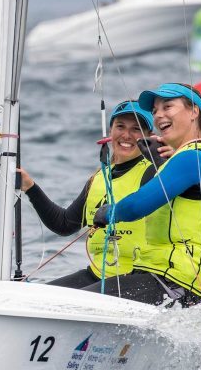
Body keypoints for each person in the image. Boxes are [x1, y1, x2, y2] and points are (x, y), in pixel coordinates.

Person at [92, 83, 201, 308]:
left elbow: (136, 206)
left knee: (70, 303)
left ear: (194, 111)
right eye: (155, 110)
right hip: (170, 281)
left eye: (168, 106)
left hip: (170, 282)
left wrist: (107, 213)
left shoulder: (193, 157)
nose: (158, 115)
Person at [18, 101, 159, 289]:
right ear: (110, 132)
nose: (126, 135)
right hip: (98, 274)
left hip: (137, 277)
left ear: (149, 137)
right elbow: (64, 224)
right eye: (120, 126)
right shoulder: (99, 178)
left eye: (136, 129)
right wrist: (30, 187)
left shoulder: (155, 172)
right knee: (33, 295)